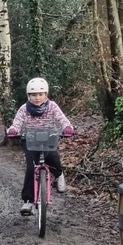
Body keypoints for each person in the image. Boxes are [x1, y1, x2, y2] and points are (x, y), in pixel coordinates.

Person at [7, 77, 75, 216]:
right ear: (28, 95)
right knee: (31, 169)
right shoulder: (24, 109)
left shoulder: (52, 106)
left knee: (53, 157)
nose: (37, 98)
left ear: (46, 94)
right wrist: (13, 130)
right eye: (33, 95)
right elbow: (17, 123)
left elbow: (62, 119)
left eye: (40, 94)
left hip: (48, 138)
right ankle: (28, 201)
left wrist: (67, 127)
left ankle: (59, 175)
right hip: (30, 140)